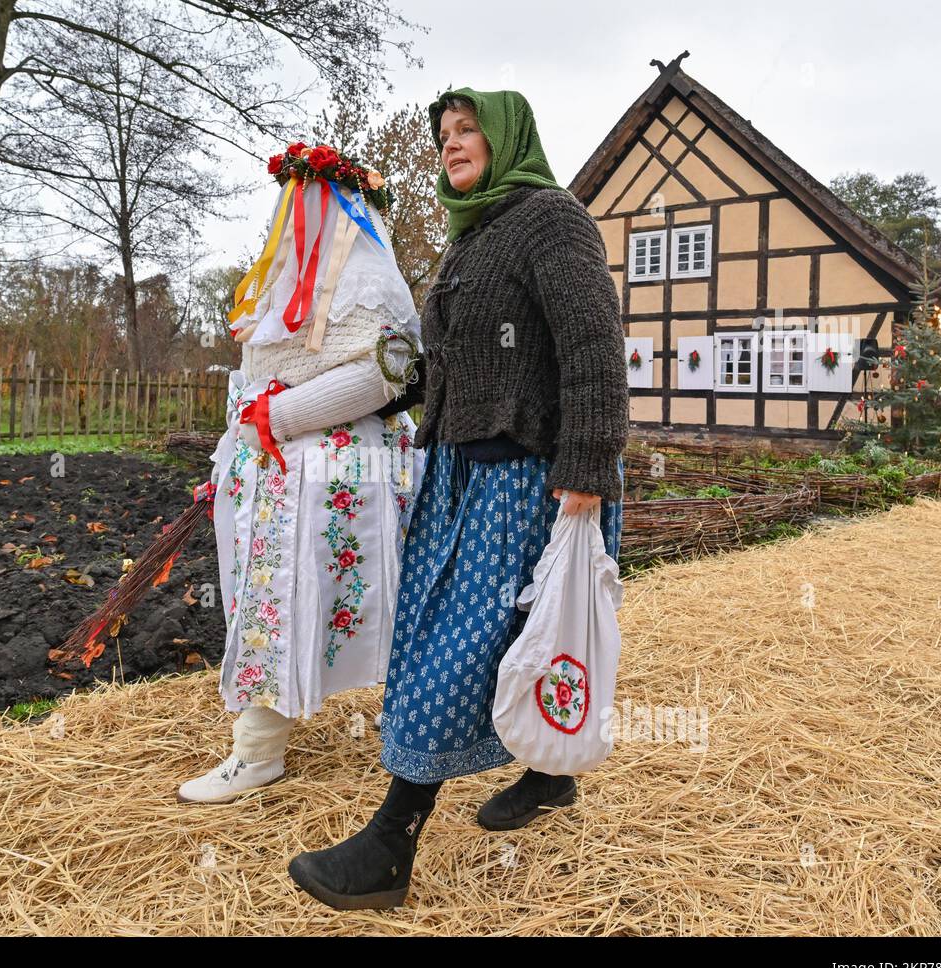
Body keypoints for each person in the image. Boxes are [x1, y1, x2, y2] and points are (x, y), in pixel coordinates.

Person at [288, 89, 628, 909]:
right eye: (443, 134)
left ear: (507, 135)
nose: (451, 144)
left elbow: (594, 345)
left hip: (532, 476)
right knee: (510, 637)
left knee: (460, 645)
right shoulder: (470, 239)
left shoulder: (550, 219)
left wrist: (585, 469)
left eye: (467, 129)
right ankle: (550, 773)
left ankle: (390, 845)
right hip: (460, 474)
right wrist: (304, 400)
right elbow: (434, 367)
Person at [177, 143, 425, 803]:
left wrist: (281, 415)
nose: (292, 215)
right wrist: (236, 444)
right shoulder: (287, 278)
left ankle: (262, 750)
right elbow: (260, 376)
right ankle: (265, 743)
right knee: (271, 598)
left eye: (304, 200)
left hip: (330, 475)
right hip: (278, 475)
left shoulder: (365, 273)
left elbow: (388, 372)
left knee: (297, 595)